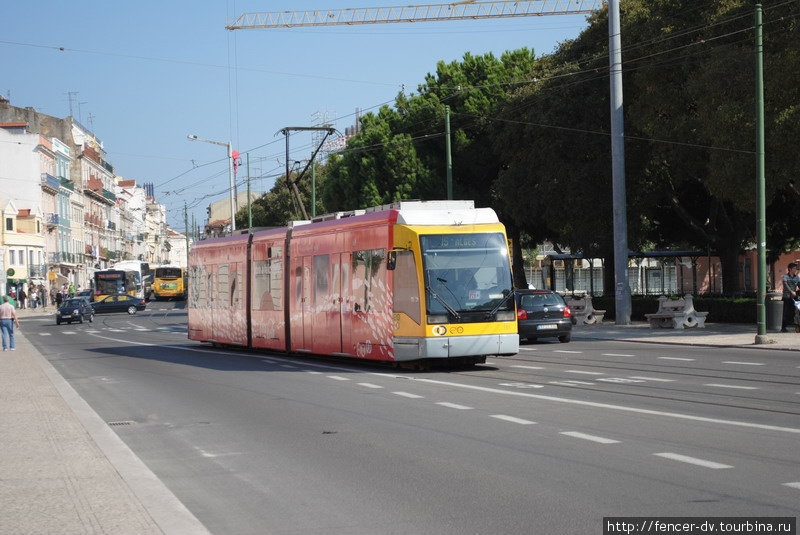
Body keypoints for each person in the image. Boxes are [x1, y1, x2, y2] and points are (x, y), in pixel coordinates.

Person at [781, 262, 800, 332]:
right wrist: (791, 291)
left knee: (795, 312)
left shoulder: (797, 277)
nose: (795, 269)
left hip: (794, 297)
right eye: (794, 268)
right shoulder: (785, 276)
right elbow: (785, 285)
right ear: (790, 269)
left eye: (796, 268)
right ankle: (783, 327)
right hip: (787, 297)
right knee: (786, 312)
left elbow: (799, 284)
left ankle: (797, 327)